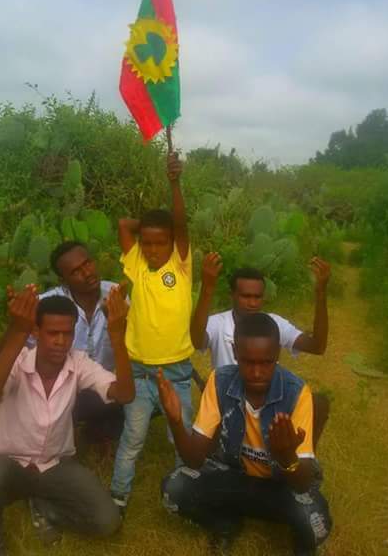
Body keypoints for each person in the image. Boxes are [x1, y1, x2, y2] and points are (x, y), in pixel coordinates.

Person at [0, 285, 134, 556]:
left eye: (67, 333)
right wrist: (18, 331)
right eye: (52, 333)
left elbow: (125, 395)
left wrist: (118, 337)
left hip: (54, 465)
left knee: (108, 521)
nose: (61, 341)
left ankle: (46, 508)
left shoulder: (78, 363)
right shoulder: (19, 361)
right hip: (10, 464)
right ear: (36, 332)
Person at [159, 312, 332, 556]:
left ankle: (300, 545)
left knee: (316, 527)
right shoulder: (219, 382)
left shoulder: (296, 393)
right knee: (174, 489)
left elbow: (302, 484)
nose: (257, 372)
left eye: (266, 363)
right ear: (235, 353)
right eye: (248, 362)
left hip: (279, 487)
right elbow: (194, 460)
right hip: (233, 478)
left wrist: (287, 457)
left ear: (277, 355)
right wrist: (176, 421)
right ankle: (225, 524)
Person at [110, 152, 194, 513]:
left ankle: (184, 494)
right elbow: (123, 225)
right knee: (132, 438)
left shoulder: (181, 263)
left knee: (182, 437)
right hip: (139, 372)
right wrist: (148, 225)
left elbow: (181, 225)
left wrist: (174, 184)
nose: (153, 249)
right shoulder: (137, 264)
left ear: (174, 242)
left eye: (161, 242)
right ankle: (118, 496)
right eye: (147, 242)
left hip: (176, 371)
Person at [191, 254, 331, 445]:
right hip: (230, 402)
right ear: (232, 296)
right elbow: (197, 341)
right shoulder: (219, 323)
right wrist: (207, 290)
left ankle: (303, 454)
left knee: (319, 404)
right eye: (246, 296)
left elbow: (317, 347)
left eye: (257, 297)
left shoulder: (274, 324)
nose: (252, 303)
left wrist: (321, 294)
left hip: (269, 402)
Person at [29, 241, 125, 443]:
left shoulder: (115, 294)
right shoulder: (47, 305)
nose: (87, 273)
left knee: (143, 393)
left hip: (104, 382)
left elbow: (131, 341)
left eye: (88, 263)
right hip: (63, 386)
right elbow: (21, 348)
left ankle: (100, 429)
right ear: (63, 280)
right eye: (76, 271)